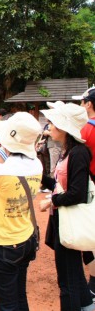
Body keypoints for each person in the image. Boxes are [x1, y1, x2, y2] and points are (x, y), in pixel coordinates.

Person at [0, 112, 43, 310]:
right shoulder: (36, 164)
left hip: (3, 243)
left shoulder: (2, 170)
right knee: (20, 296)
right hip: (26, 238)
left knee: (6, 304)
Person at [39, 102, 95, 311]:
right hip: (63, 220)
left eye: (52, 123)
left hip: (69, 221)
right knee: (73, 274)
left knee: (67, 280)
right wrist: (43, 179)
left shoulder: (78, 153)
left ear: (63, 127)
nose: (49, 128)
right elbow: (62, 187)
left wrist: (50, 201)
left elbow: (77, 193)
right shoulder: (69, 151)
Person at [73, 86, 95, 301]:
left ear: (89, 104)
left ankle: (94, 282)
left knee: (89, 234)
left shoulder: (86, 129)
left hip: (90, 184)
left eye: (82, 102)